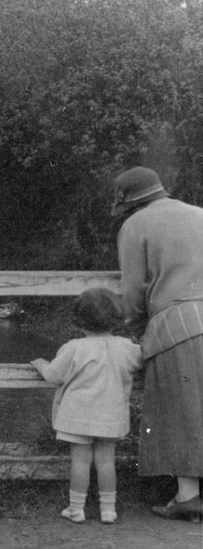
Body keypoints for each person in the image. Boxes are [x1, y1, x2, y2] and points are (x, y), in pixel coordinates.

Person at [113, 166, 203, 522]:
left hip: (177, 323)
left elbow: (133, 290)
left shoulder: (136, 226)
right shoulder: (199, 213)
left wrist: (138, 328)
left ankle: (188, 495)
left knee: (179, 408)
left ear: (129, 202)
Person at [32, 288, 143, 524]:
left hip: (78, 416)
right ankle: (108, 510)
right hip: (110, 416)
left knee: (80, 462)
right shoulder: (125, 347)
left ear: (78, 321)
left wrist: (41, 364)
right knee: (106, 462)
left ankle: (76, 508)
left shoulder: (74, 347)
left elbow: (53, 375)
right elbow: (141, 360)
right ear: (117, 320)